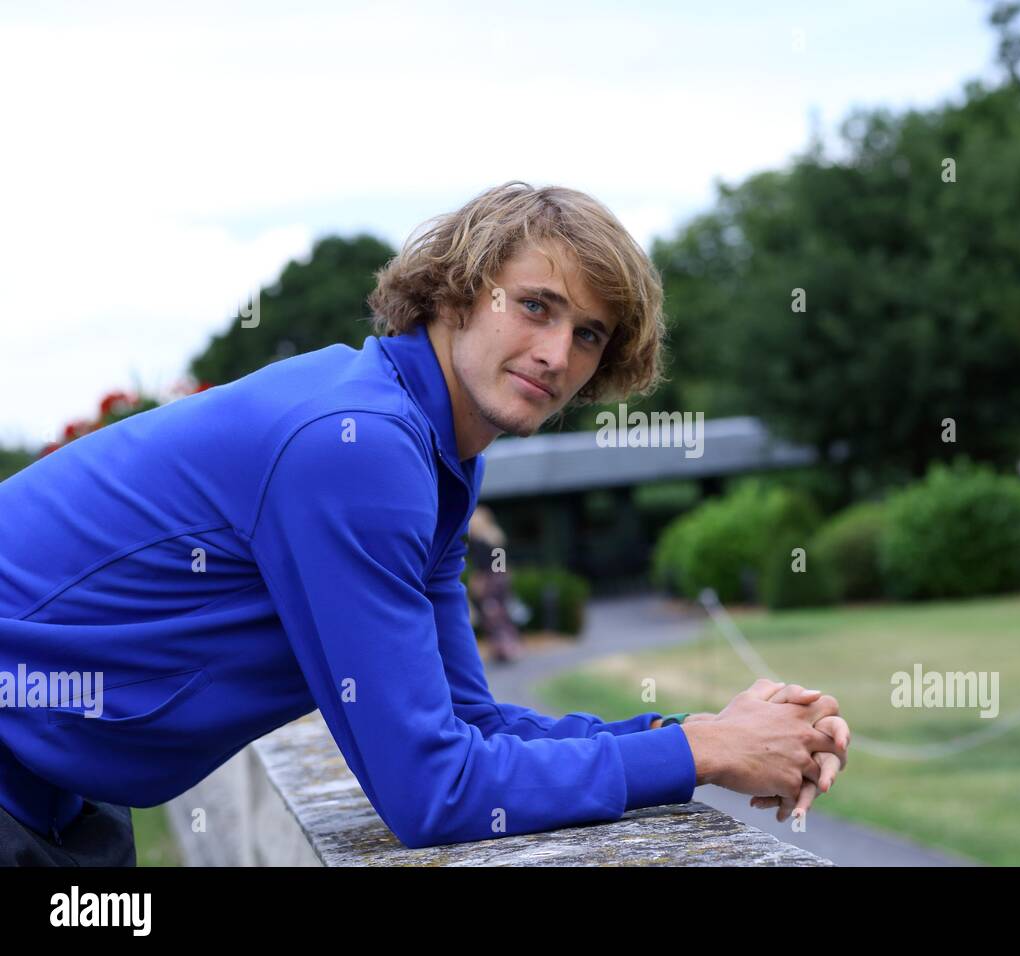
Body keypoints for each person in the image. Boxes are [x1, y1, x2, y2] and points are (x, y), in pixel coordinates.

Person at [0, 181, 850, 862]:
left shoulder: (432, 455)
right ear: (456, 292)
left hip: (55, 798)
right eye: (536, 306)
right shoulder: (359, 445)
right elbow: (432, 794)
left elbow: (466, 726)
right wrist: (701, 756)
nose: (558, 356)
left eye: (589, 334)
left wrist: (700, 735)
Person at [465, 506, 525, 664]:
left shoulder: (479, 540)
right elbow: (501, 563)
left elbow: (481, 566)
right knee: (501, 614)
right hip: (500, 580)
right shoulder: (496, 536)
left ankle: (503, 649)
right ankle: (507, 647)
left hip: (489, 582)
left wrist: (480, 581)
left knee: (492, 616)